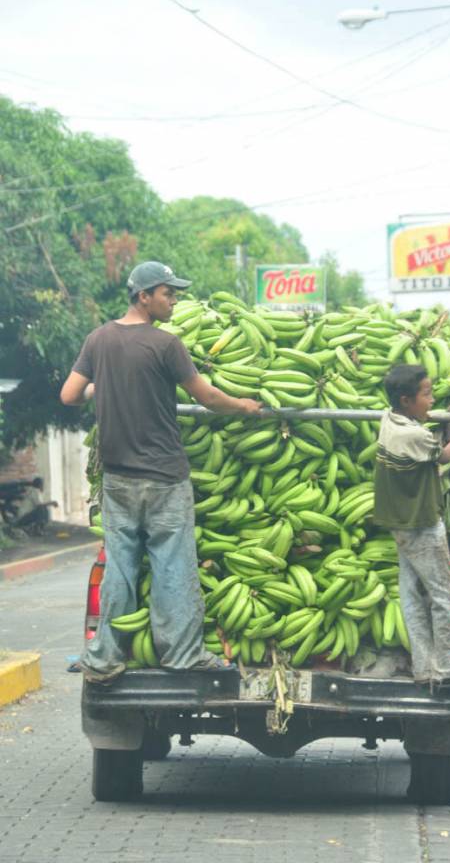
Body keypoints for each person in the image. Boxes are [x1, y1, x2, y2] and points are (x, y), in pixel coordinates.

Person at [61, 261, 261, 682]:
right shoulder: (166, 345)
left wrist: (102, 386)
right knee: (173, 565)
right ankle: (183, 655)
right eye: (168, 294)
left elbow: (70, 395)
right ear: (143, 296)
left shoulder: (98, 339)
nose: (174, 301)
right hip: (166, 476)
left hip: (118, 478)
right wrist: (244, 407)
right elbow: (206, 396)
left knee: (121, 566)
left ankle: (105, 658)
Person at [373, 364, 450, 688]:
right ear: (406, 400)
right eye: (426, 395)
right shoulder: (412, 434)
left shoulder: (389, 421)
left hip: (400, 525)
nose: (431, 401)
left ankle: (423, 667)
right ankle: (445, 668)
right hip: (421, 526)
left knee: (412, 596)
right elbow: (444, 457)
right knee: (444, 596)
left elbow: (424, 459)